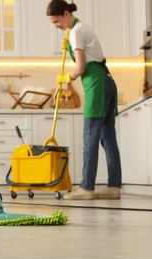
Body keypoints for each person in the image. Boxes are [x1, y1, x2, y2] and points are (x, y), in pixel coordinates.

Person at [47, 0, 122, 199]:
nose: (56, 26)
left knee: (90, 136)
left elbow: (80, 68)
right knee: (107, 138)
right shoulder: (79, 28)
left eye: (56, 22)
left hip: (96, 84)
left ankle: (87, 187)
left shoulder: (76, 32)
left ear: (65, 13)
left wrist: (66, 77)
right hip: (105, 81)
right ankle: (114, 187)